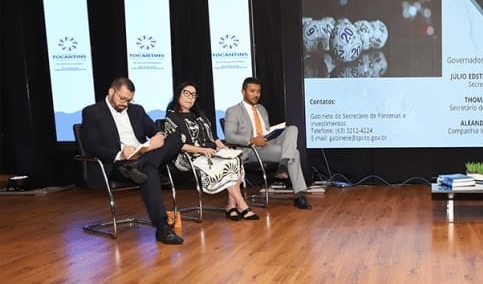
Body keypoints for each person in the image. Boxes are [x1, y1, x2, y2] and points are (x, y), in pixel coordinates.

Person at [80, 77, 185, 244]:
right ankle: (162, 228)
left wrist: (158, 136)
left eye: (129, 100)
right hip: (117, 164)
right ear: (111, 92)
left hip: (141, 157)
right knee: (149, 171)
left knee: (177, 138)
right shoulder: (92, 112)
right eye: (122, 98)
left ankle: (138, 164)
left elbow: (154, 130)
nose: (125, 103)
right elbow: (92, 147)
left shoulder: (137, 110)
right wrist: (120, 154)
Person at [164, 82, 259, 221]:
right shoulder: (171, 117)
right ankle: (242, 205)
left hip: (210, 152)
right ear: (178, 94)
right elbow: (177, 145)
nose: (190, 97)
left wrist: (224, 148)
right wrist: (201, 150)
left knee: (235, 160)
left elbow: (214, 137)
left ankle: (231, 205)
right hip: (187, 157)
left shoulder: (199, 114)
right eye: (187, 93)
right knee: (226, 165)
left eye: (193, 95)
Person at [224, 77, 312, 210]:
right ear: (243, 92)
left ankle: (283, 164)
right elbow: (229, 136)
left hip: (267, 143)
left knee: (292, 129)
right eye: (252, 91)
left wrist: (276, 130)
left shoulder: (261, 109)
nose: (256, 95)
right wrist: (251, 140)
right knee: (294, 152)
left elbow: (265, 130)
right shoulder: (233, 111)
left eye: (258, 91)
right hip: (251, 150)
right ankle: (298, 195)